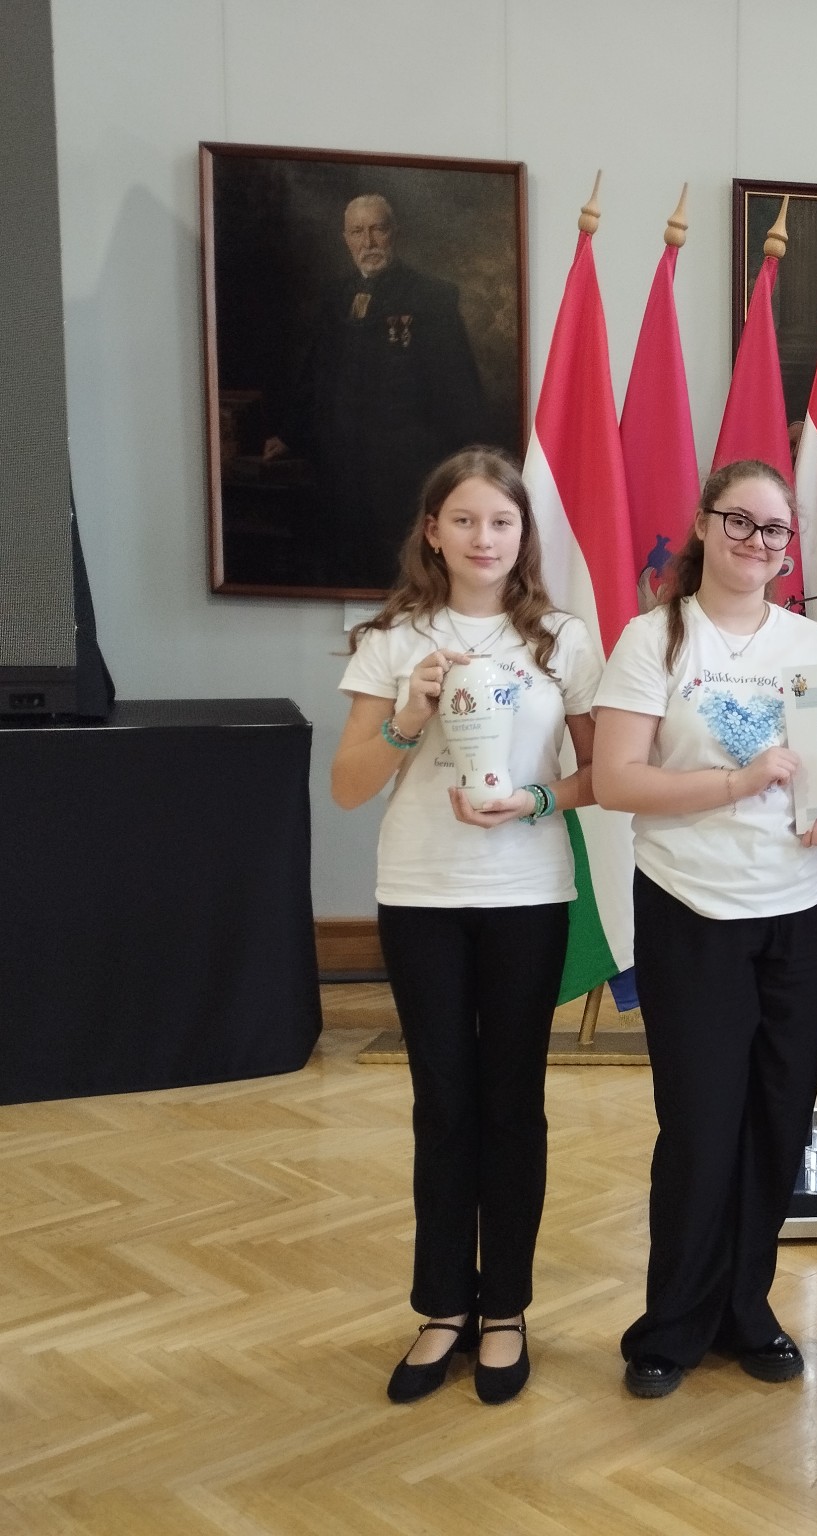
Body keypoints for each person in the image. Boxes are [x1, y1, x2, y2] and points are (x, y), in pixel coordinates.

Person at [331, 446, 601, 1406]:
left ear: (523, 535)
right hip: (422, 893)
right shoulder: (393, 638)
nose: (484, 538)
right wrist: (408, 714)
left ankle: (506, 1310)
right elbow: (349, 786)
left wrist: (533, 800)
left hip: (528, 893)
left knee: (512, 1101)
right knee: (443, 1102)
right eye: (465, 520)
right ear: (433, 532)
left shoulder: (562, 638)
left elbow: (602, 776)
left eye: (502, 522)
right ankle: (442, 1306)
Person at [592, 460, 817, 1398]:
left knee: (778, 1121)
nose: (755, 541)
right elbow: (617, 779)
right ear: (703, 525)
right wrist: (738, 783)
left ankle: (748, 1309)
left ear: (790, 549)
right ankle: (672, 1323)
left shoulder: (816, 645)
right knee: (700, 1127)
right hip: (690, 908)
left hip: (802, 914)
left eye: (774, 529)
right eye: (739, 521)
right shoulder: (653, 638)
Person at [265, 193, 488, 590]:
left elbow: (457, 384)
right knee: (343, 559)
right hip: (341, 462)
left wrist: (466, 459)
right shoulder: (335, 297)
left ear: (394, 233)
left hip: (404, 464)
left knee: (399, 568)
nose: (367, 242)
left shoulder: (431, 297)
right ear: (345, 239)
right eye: (357, 232)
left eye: (377, 230)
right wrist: (289, 433)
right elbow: (314, 373)